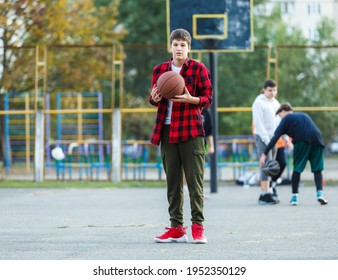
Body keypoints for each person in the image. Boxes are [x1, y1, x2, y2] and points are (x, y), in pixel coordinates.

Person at [149, 28, 213, 244]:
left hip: (191, 130)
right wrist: (154, 97)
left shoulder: (198, 69)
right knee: (173, 182)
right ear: (170, 46)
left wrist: (190, 99)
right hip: (166, 131)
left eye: (183, 45)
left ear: (189, 48)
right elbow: (154, 99)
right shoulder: (159, 71)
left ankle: (198, 227)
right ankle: (176, 228)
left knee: (195, 181)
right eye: (175, 44)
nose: (179, 48)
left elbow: (208, 98)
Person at [260, 103, 328, 206]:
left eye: (279, 116)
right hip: (317, 139)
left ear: (282, 112)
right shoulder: (303, 115)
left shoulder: (286, 119)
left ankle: (294, 197)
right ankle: (320, 194)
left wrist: (264, 153)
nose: (280, 118)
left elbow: (275, 137)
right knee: (317, 169)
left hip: (302, 141)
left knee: (297, 169)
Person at [252, 79, 281, 205]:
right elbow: (259, 124)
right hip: (263, 138)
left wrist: (281, 137)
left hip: (273, 138)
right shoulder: (258, 102)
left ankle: (268, 191)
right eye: (270, 90)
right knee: (265, 166)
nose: (272, 93)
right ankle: (264, 195)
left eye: (274, 90)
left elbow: (279, 121)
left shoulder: (275, 103)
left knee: (272, 167)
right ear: (264, 90)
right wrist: (267, 140)